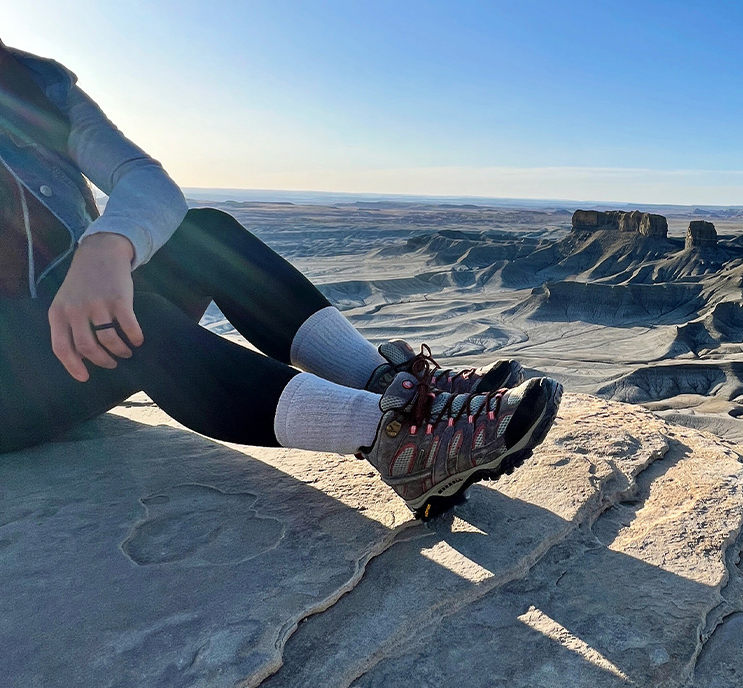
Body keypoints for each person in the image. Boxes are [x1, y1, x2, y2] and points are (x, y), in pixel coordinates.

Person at [0, 41, 562, 521]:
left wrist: (107, 246)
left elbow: (145, 181)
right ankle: (396, 438)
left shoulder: (37, 82)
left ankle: (386, 386)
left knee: (205, 233)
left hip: (74, 338)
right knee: (132, 313)